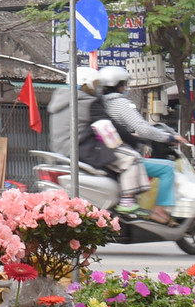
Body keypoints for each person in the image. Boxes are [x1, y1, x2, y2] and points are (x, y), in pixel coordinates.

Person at [45, 67, 151, 216]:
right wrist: (134, 140)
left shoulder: (58, 101)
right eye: (94, 84)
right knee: (131, 158)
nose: (97, 89)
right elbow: (110, 127)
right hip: (84, 149)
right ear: (85, 84)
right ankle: (127, 202)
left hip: (61, 151)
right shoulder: (88, 102)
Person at [98, 65, 189, 218]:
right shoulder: (120, 103)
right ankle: (159, 211)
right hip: (121, 154)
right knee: (168, 167)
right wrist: (170, 138)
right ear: (119, 85)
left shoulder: (100, 103)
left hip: (103, 152)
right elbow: (144, 128)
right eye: (124, 84)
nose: (125, 87)